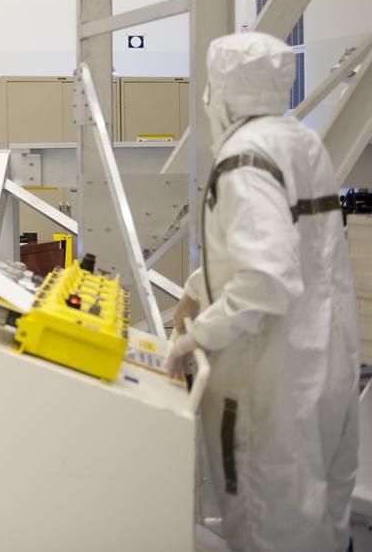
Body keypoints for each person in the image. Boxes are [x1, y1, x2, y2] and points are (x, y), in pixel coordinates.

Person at [165, 32, 357, 552]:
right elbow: (296, 244)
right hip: (323, 360)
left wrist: (196, 337)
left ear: (225, 89)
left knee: (267, 523)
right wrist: (197, 289)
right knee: (321, 515)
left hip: (266, 375)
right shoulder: (300, 141)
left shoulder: (243, 159)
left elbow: (266, 277)